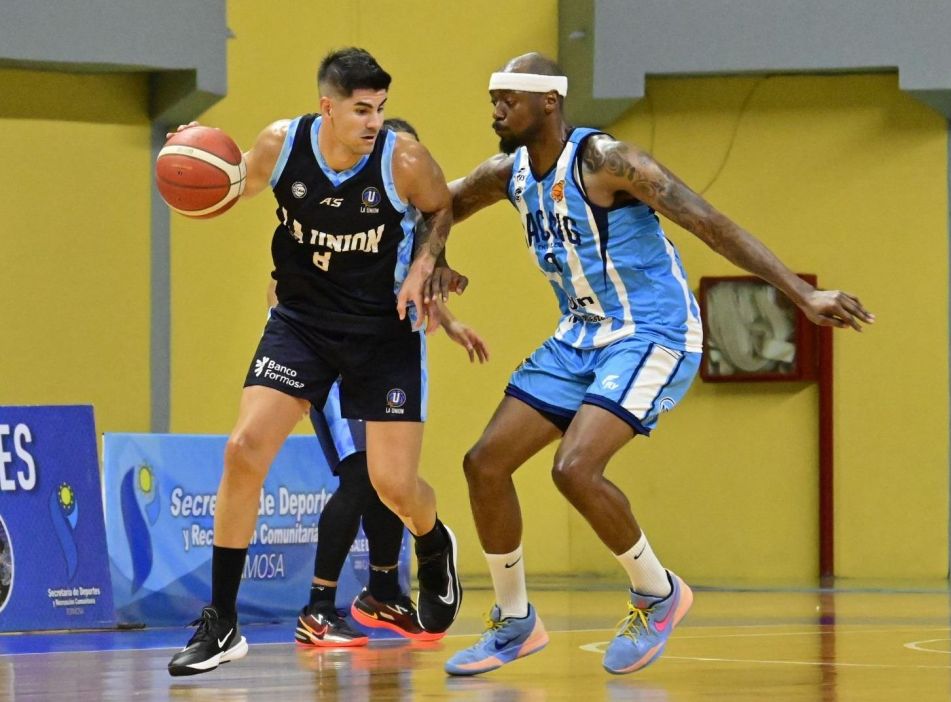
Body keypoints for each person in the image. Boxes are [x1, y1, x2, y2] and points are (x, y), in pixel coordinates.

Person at [438, 53, 875, 676]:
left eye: (509, 98)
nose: (497, 110)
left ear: (549, 101)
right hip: (580, 336)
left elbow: (708, 222)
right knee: (484, 464)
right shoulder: (507, 174)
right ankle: (515, 621)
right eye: (493, 99)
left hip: (654, 332)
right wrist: (433, 260)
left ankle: (657, 592)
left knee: (574, 469)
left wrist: (802, 295)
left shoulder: (607, 161)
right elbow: (438, 205)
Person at [168, 48, 464, 677]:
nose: (374, 121)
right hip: (302, 324)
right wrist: (193, 153)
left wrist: (424, 264)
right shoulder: (281, 145)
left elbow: (441, 208)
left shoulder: (404, 160)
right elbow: (232, 183)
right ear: (327, 107)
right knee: (243, 450)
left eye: (380, 108)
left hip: (383, 332)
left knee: (392, 486)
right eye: (361, 110)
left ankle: (434, 541)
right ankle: (221, 622)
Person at [293, 118, 488, 649]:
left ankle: (382, 592)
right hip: (330, 357)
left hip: (383, 355)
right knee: (359, 476)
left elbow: (408, 281)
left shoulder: (411, 217)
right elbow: (282, 283)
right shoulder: (335, 205)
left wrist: (450, 322)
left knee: (388, 479)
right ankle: (317, 609)